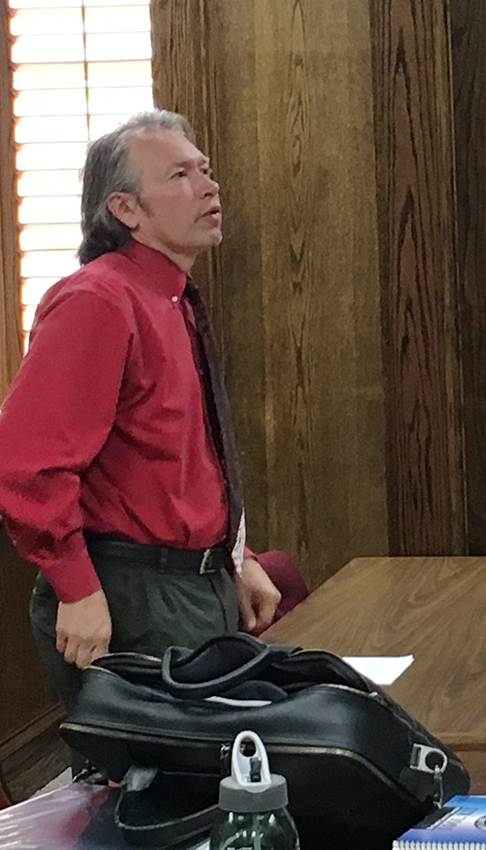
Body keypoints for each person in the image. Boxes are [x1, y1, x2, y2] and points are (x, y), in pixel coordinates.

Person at [0, 110, 281, 713]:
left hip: (192, 582)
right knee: (156, 791)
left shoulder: (169, 298)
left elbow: (182, 462)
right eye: (179, 175)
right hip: (130, 590)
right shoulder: (97, 300)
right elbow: (27, 463)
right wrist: (76, 588)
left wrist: (236, 556)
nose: (209, 186)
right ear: (126, 210)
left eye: (205, 169)